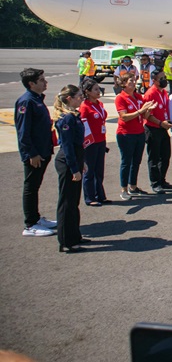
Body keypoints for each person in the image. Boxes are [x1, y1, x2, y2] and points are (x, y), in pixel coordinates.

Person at [15, 68, 57, 237]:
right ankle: (30, 224)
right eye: (41, 80)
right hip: (35, 153)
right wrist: (31, 153)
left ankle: (36, 217)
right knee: (31, 187)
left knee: (36, 185)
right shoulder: (26, 102)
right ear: (31, 84)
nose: (45, 82)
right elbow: (23, 132)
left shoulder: (37, 99)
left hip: (43, 150)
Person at [52, 85, 88, 253]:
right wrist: (75, 169)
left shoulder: (74, 115)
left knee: (74, 201)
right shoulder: (67, 118)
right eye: (79, 96)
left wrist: (82, 163)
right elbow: (67, 146)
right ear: (69, 98)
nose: (82, 98)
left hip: (76, 157)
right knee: (67, 202)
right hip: (68, 161)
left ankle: (75, 235)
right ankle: (66, 241)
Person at [116, 73, 155, 200]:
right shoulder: (121, 98)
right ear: (124, 83)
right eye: (130, 81)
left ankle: (133, 186)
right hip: (126, 133)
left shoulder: (138, 96)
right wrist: (141, 111)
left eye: (134, 80)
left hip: (139, 132)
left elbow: (144, 115)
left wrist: (149, 110)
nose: (133, 83)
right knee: (126, 161)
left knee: (136, 161)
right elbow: (124, 116)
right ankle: (124, 188)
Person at [79, 78, 108, 206]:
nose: (98, 91)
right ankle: (90, 197)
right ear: (87, 92)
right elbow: (82, 126)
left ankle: (100, 195)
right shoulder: (84, 107)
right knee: (89, 171)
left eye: (98, 89)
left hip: (101, 140)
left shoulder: (99, 104)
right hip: (90, 143)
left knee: (99, 170)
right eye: (95, 89)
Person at [143, 72, 172, 193]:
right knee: (154, 157)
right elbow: (147, 115)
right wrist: (161, 123)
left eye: (165, 78)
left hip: (163, 128)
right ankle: (155, 183)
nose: (164, 80)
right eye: (161, 79)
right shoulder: (150, 94)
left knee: (165, 156)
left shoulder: (164, 92)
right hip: (153, 128)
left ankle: (162, 180)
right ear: (154, 80)